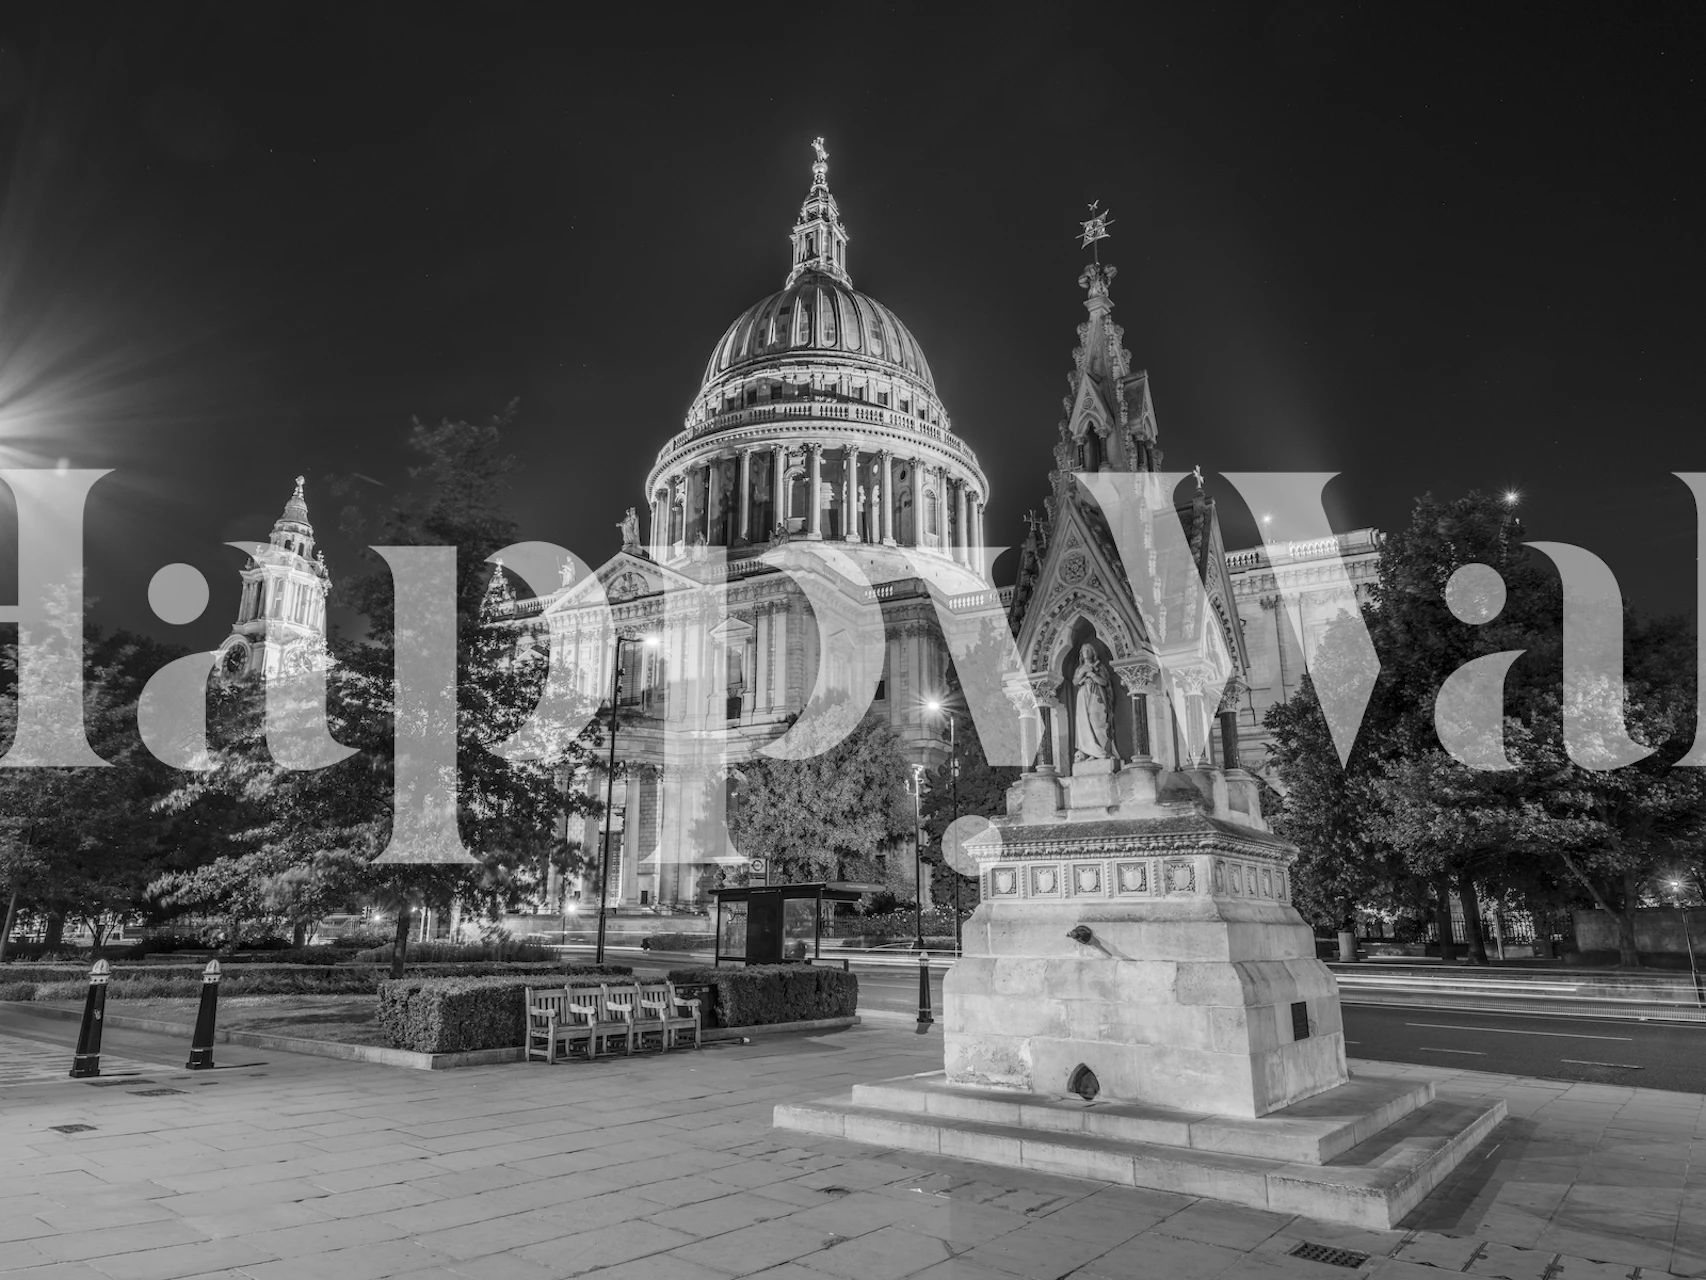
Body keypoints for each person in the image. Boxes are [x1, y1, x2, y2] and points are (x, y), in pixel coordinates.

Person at [1073, 642, 1114, 760]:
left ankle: (1103, 752)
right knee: (1084, 723)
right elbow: (1075, 682)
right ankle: (1092, 752)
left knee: (1097, 722)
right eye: (1083, 650)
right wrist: (1083, 672)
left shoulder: (1099, 667)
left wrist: (1092, 675)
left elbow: (1104, 682)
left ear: (1093, 653)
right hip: (1083, 695)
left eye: (1088, 650)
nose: (1086, 652)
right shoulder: (1080, 668)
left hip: (1096, 694)